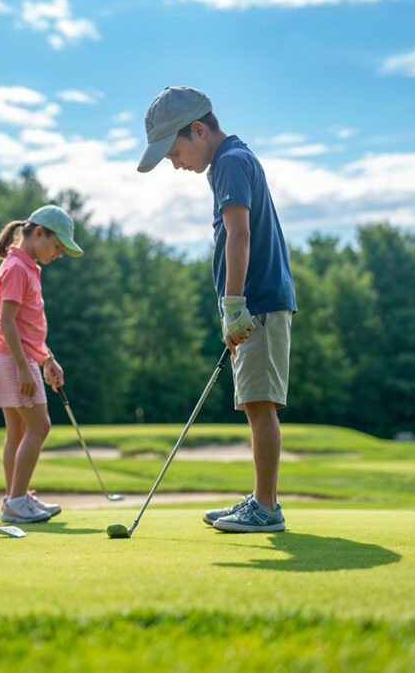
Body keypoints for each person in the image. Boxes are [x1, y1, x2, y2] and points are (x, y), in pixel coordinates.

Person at [137, 86, 297, 533]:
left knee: (260, 405)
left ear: (198, 130)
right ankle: (261, 498)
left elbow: (239, 235)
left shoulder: (229, 161)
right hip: (256, 301)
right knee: (255, 403)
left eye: (174, 152)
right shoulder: (232, 159)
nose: (175, 164)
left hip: (258, 300)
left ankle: (266, 507)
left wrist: (233, 304)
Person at [0, 206, 83, 524]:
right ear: (39, 233)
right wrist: (25, 368)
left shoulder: (24, 267)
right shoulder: (16, 268)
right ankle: (16, 501)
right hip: (14, 361)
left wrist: (47, 359)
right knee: (40, 427)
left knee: (18, 431)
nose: (59, 255)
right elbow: (7, 322)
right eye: (58, 246)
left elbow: (27, 327)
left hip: (13, 358)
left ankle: (17, 497)